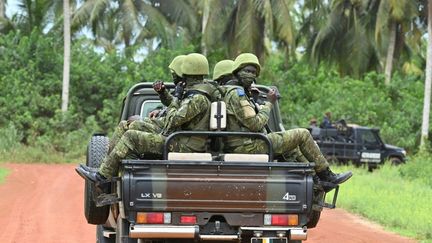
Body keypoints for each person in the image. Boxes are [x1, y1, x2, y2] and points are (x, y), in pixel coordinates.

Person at [76, 53, 213, 183]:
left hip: (183, 145)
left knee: (131, 136)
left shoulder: (198, 98)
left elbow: (172, 120)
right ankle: (106, 169)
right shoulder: (194, 94)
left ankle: (102, 176)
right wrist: (166, 94)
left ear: (187, 74)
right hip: (179, 139)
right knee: (129, 125)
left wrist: (176, 98)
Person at [223, 53, 352, 186]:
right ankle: (327, 175)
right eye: (247, 71)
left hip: (248, 143)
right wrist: (269, 103)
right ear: (237, 71)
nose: (251, 75)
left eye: (253, 72)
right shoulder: (237, 94)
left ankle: (315, 184)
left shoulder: (238, 92)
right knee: (303, 134)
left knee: (293, 149)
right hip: (249, 146)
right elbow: (255, 124)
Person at [108, 55, 186, 152]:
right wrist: (162, 95)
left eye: (174, 73)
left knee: (131, 127)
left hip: (172, 135)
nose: (172, 76)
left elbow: (176, 116)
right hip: (168, 130)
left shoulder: (194, 95)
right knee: (126, 124)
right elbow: (175, 105)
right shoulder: (184, 90)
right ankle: (109, 162)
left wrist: (176, 96)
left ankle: (108, 165)